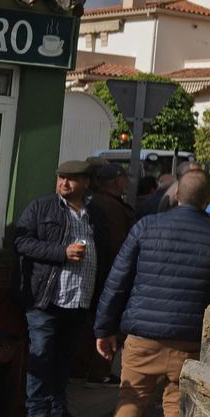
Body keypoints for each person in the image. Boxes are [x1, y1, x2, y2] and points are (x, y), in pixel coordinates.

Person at [94, 170, 210, 417]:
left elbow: (117, 281)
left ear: (176, 194)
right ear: (208, 199)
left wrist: (104, 328)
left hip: (143, 337)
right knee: (178, 403)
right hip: (190, 341)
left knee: (131, 398)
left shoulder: (145, 227)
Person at [11, 161, 115, 417]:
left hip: (79, 299)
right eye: (60, 178)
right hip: (45, 299)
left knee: (65, 361)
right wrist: (61, 253)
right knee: (41, 357)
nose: (63, 183)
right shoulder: (41, 207)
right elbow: (21, 242)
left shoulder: (96, 213)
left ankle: (59, 412)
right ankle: (38, 416)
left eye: (70, 179)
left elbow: (105, 252)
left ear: (86, 182)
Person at [78, 166, 134, 388]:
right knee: (107, 323)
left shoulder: (95, 202)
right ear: (116, 181)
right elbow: (118, 244)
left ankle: (81, 368)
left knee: (89, 322)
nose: (126, 182)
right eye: (123, 178)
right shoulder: (110, 206)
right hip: (109, 273)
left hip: (96, 272)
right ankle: (98, 370)